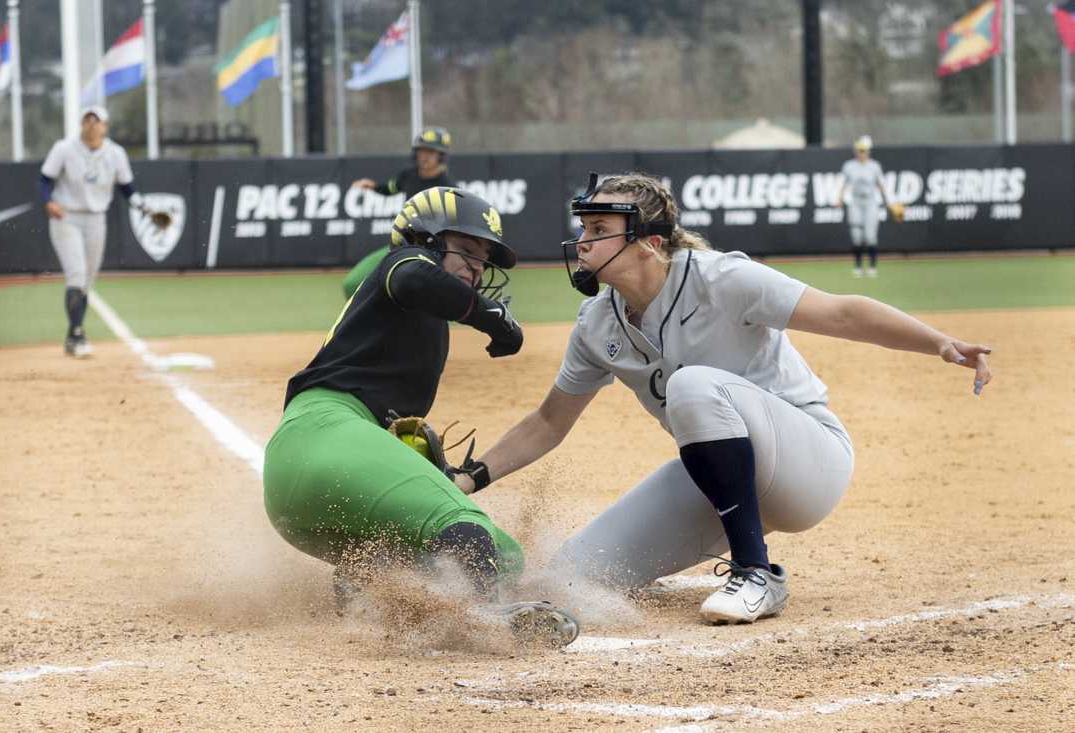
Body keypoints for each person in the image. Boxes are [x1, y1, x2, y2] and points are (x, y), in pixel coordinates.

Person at [452, 172, 992, 625]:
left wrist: (940, 343)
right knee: (572, 576)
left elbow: (842, 312)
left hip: (807, 464)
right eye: (583, 228)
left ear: (650, 242)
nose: (583, 242)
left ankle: (756, 572)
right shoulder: (597, 322)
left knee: (693, 384)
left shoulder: (722, 279)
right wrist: (469, 477)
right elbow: (548, 422)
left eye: (599, 229)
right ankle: (717, 557)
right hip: (715, 478)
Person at [262, 186, 579, 647]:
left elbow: (389, 290)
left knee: (504, 552)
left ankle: (374, 589)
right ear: (424, 240)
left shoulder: (418, 311)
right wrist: (490, 315)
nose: (476, 267)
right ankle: (481, 620)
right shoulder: (402, 264)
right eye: (467, 251)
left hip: (320, 500)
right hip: (323, 429)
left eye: (482, 258)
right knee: (463, 528)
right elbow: (413, 279)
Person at [39, 106, 146, 358]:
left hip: (96, 219)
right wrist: (47, 201)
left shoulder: (115, 153)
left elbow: (126, 187)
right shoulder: (64, 148)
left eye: (95, 120)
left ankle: (72, 335)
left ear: (105, 126)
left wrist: (142, 206)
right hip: (66, 216)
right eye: (86, 119)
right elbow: (45, 179)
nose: (90, 124)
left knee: (87, 281)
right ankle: (77, 335)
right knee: (76, 274)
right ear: (81, 124)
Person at [343, 126, 456, 300]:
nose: (425, 156)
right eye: (422, 151)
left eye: (431, 152)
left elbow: (452, 227)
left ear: (441, 156)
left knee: (418, 296)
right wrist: (372, 186)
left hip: (429, 252)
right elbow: (390, 188)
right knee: (352, 283)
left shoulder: (447, 189)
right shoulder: (408, 176)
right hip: (401, 245)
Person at [836, 135, 895, 278]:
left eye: (863, 150)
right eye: (859, 150)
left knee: (870, 236)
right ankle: (857, 267)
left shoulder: (874, 166)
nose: (861, 153)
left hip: (870, 202)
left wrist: (888, 201)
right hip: (856, 202)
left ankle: (872, 267)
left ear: (868, 151)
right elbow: (844, 184)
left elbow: (881, 185)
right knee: (856, 236)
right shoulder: (849, 166)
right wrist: (840, 198)